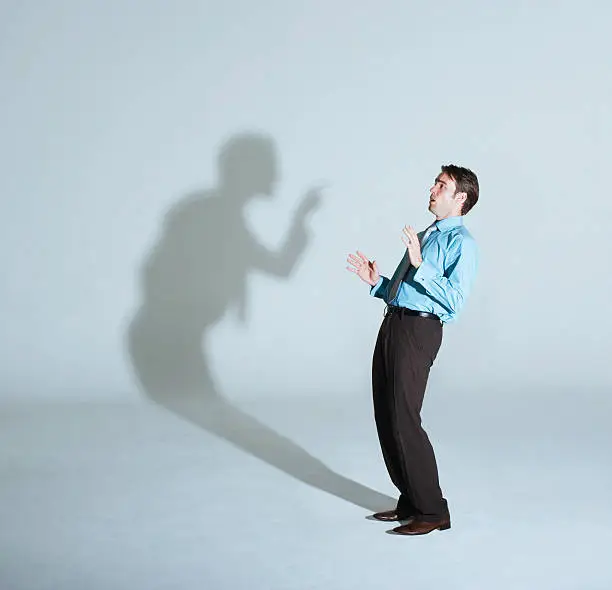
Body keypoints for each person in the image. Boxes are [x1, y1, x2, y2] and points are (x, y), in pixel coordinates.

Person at [346, 164, 479, 535]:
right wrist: (377, 283)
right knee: (386, 414)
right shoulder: (427, 234)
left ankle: (433, 510)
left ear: (461, 198)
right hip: (395, 321)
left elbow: (453, 301)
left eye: (442, 185)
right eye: (435, 183)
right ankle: (410, 499)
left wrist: (420, 264)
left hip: (420, 329)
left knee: (405, 417)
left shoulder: (462, 244)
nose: (433, 189)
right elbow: (407, 289)